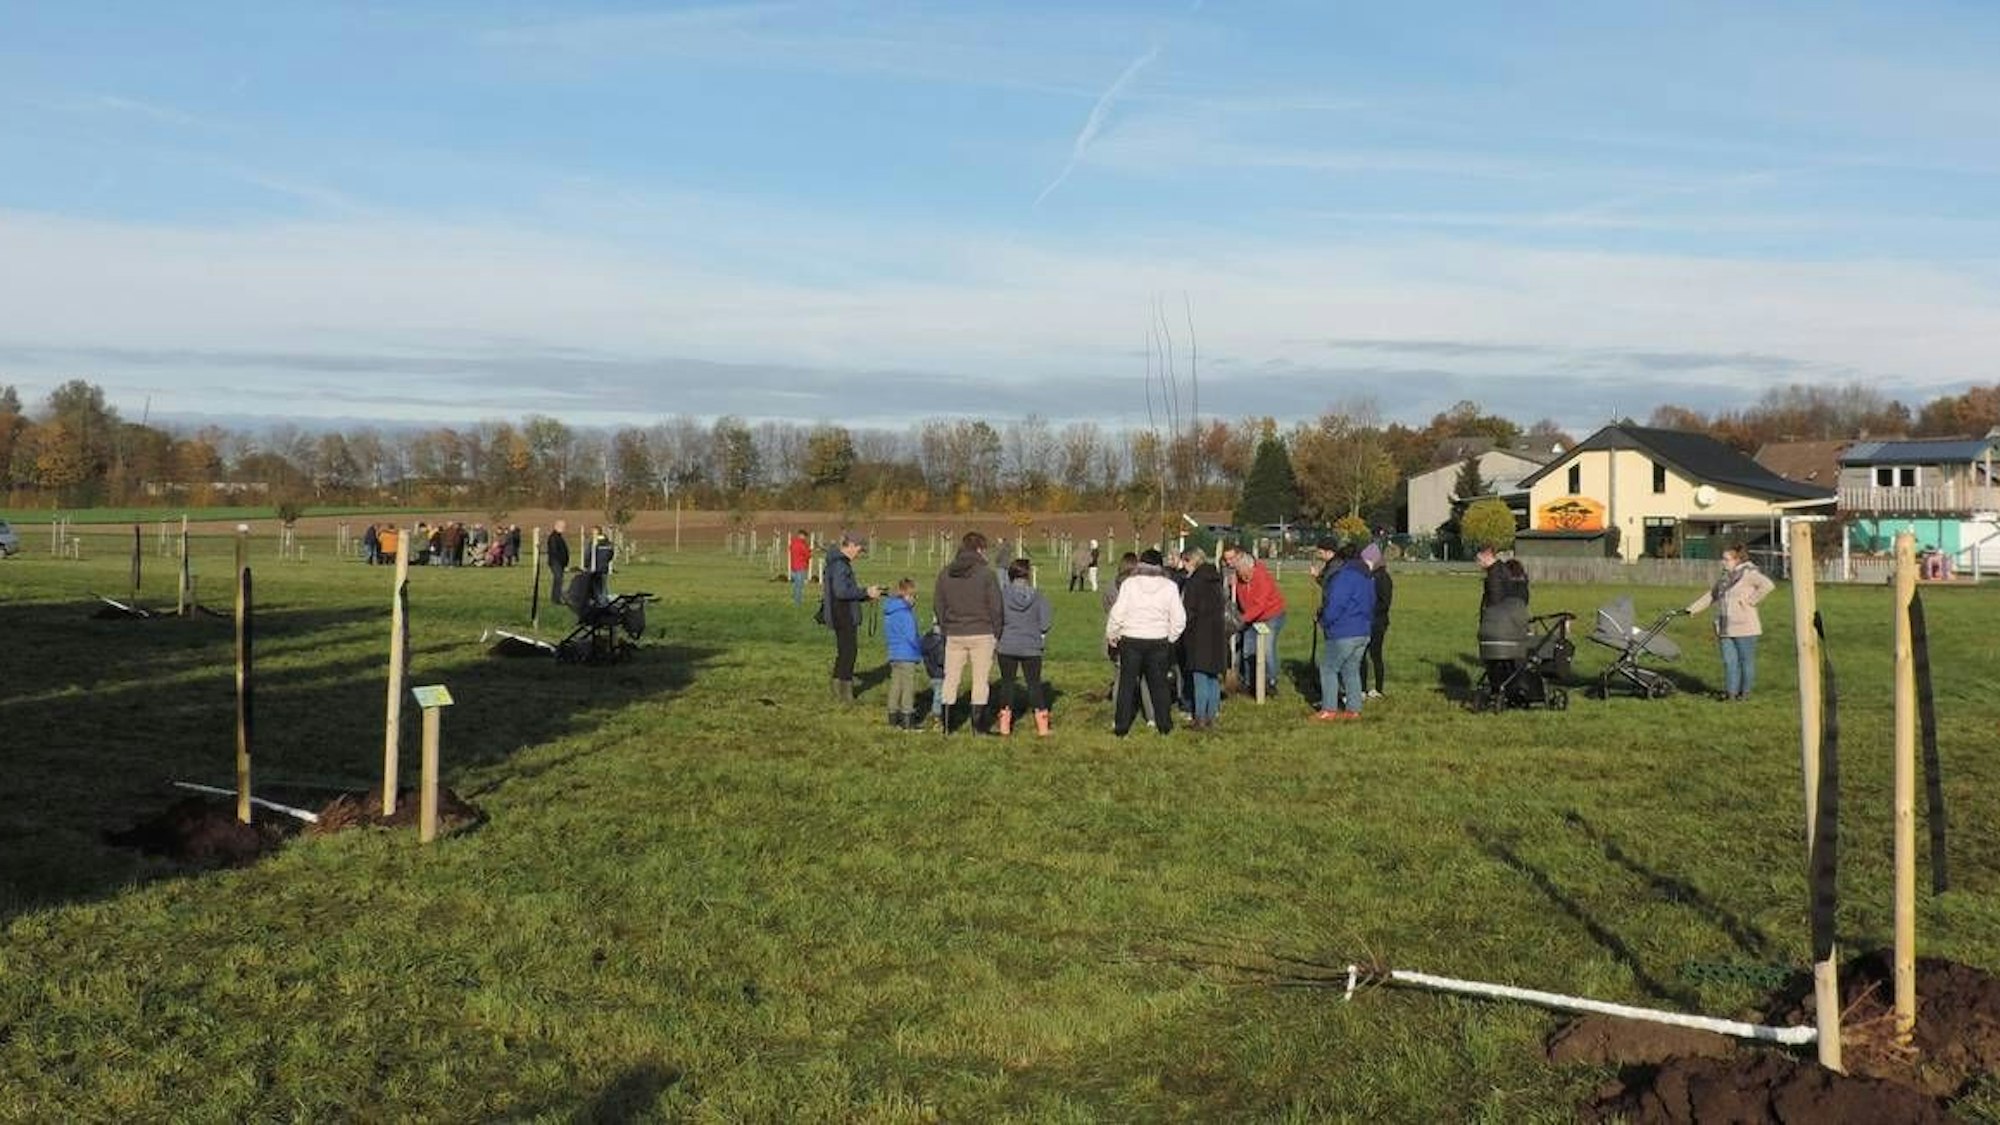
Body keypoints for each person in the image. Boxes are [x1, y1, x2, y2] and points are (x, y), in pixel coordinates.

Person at [1105, 548, 1186, 736]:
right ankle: (1164, 725)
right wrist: (1170, 637)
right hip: (1158, 640)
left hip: (1131, 639)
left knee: (1127, 684)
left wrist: (1112, 633)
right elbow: (1179, 618)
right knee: (1159, 685)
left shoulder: (1129, 585)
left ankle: (1121, 726)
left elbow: (1118, 612)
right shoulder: (1169, 587)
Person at [1684, 542, 1776, 701]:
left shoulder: (1749, 574)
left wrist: (1750, 601)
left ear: (1737, 560)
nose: (1723, 562)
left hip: (1745, 627)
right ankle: (1731, 693)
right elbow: (1712, 595)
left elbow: (1768, 585)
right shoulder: (1725, 578)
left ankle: (1744, 693)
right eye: (1723, 559)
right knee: (1729, 661)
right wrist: (1692, 609)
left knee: (1745, 662)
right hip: (1725, 626)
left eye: (1727, 559)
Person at [934, 531, 1004, 733]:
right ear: (980, 549)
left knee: (950, 678)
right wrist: (997, 632)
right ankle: (977, 727)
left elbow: (938, 604)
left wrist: (945, 627)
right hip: (982, 632)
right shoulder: (986, 574)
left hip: (954, 632)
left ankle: (947, 725)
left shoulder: (945, 573)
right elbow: (996, 607)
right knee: (980, 680)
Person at [995, 558, 1055, 737]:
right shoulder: (1039, 596)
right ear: (1028, 575)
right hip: (1031, 646)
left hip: (1007, 645)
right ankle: (1042, 726)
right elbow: (1045, 623)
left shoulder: (1002, 596)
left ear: (1010, 575)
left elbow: (996, 619)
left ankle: (1004, 725)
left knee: (1007, 683)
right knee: (1034, 684)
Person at [1314, 539, 1373, 720]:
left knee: (1328, 668)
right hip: (1363, 631)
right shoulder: (1367, 577)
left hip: (1343, 631)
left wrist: (1324, 620)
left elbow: (1335, 605)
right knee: (1351, 669)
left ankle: (1328, 709)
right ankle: (1353, 709)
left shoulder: (1344, 577)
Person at [821, 531, 883, 703]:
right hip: (843, 614)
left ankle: (837, 689)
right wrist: (865, 592)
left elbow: (845, 591)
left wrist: (867, 596)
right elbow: (841, 592)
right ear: (851, 545)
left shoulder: (837, 562)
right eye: (859, 549)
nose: (858, 553)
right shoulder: (840, 565)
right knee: (849, 652)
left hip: (839, 612)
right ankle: (846, 693)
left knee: (844, 651)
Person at [1221, 542, 1286, 697]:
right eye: (1240, 574)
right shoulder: (1237, 576)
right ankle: (1249, 682)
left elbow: (1260, 605)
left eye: (1245, 574)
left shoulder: (1261, 576)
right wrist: (1231, 585)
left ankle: (1270, 681)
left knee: (1267, 649)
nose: (1244, 577)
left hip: (1271, 615)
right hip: (1250, 617)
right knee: (1248, 650)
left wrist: (1242, 620)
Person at [1179, 547, 1228, 730]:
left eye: (1185, 562)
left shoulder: (1193, 583)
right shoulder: (1216, 580)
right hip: (1217, 634)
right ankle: (1211, 716)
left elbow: (1188, 611)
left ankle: (1199, 717)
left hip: (1198, 635)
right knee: (1212, 678)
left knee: (1199, 676)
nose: (1184, 567)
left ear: (1191, 561)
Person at [1476, 545, 1531, 697]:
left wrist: (1489, 617)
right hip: (1511, 621)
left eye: (1479, 559)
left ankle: (1501, 688)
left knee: (1496, 659)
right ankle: (1509, 687)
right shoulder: (1502, 572)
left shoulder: (1495, 575)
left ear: (1487, 555)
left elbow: (1495, 600)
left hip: (1499, 622)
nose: (1478, 562)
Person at [882, 578, 923, 730]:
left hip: (894, 653)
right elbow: (912, 636)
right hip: (907, 655)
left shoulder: (890, 613)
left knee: (896, 685)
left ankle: (892, 715)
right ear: (907, 595)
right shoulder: (906, 614)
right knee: (908, 687)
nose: (915, 600)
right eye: (914, 596)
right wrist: (920, 650)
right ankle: (907, 716)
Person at [1361, 543, 1393, 699]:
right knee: (1361, 655)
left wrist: (1369, 611)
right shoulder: (1369, 576)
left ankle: (1378, 689)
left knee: (1375, 655)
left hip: (1377, 623)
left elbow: (1384, 603)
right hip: (1366, 621)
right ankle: (1362, 688)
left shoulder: (1383, 578)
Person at [788, 528, 812, 606]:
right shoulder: (803, 545)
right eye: (805, 536)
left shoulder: (793, 543)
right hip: (801, 567)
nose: (805, 538)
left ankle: (796, 600)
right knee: (799, 586)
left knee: (795, 586)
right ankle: (798, 603)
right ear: (802, 535)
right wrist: (810, 551)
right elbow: (807, 555)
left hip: (793, 567)